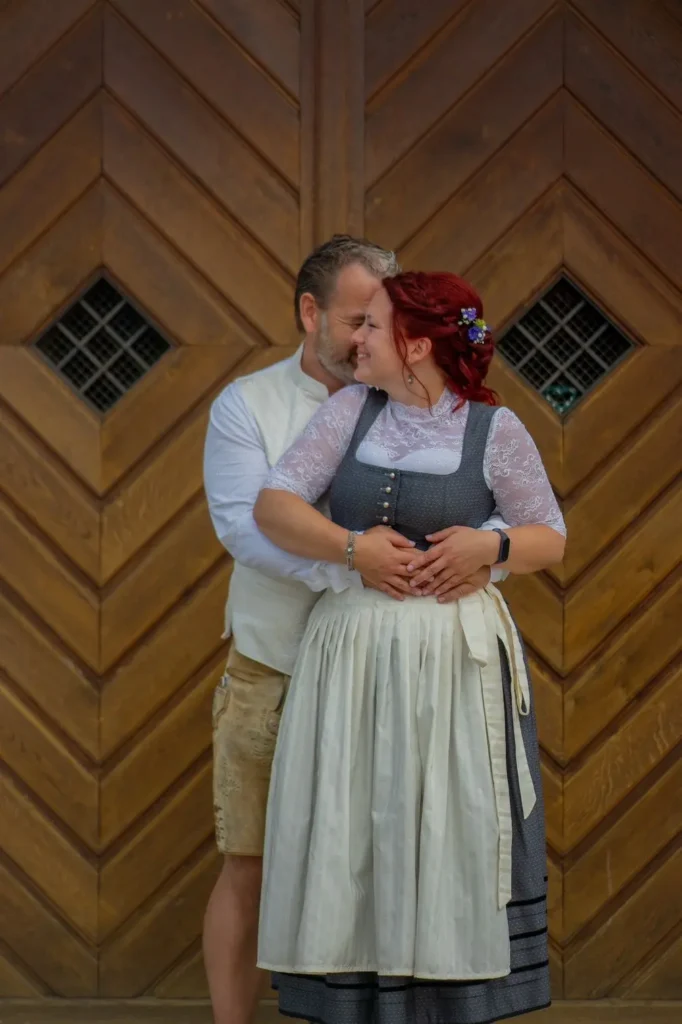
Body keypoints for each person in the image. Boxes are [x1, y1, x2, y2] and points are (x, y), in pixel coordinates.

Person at [202, 240, 510, 1024]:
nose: (368, 337)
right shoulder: (248, 406)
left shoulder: (425, 407)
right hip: (277, 667)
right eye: (356, 320)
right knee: (252, 863)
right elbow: (246, 526)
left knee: (387, 867)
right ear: (310, 314)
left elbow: (487, 512)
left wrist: (480, 562)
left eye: (384, 319)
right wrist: (356, 566)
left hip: (399, 680)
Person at [253, 270, 567, 1024]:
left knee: (446, 821)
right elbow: (273, 505)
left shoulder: (495, 432)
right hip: (353, 663)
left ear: (417, 343)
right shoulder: (349, 413)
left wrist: (491, 546)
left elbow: (548, 536)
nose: (353, 340)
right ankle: (356, 1002)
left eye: (371, 326)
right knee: (357, 821)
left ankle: (449, 1002)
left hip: (453, 670)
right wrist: (349, 544)